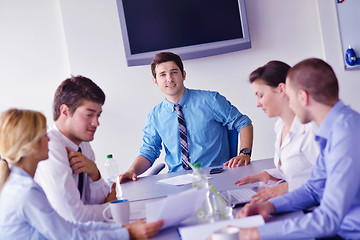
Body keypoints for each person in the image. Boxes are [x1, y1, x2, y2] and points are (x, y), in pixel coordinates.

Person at [232, 58, 360, 239]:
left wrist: (255, 233)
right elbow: (313, 189)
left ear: (302, 97)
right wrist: (270, 206)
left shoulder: (346, 134)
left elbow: (329, 219)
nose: (289, 105)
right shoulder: (334, 130)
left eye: (290, 98)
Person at [0, 108, 164, 239]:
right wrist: (128, 234)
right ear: (31, 147)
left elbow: (68, 226)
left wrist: (122, 229)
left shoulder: (20, 184)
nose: (49, 140)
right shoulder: (25, 192)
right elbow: (69, 236)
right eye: (43, 136)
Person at [119, 52, 253, 182]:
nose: (169, 79)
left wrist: (244, 153)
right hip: (177, 181)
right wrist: (132, 171)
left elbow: (243, 123)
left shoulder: (211, 100)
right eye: (162, 75)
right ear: (155, 81)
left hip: (215, 176)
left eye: (174, 72)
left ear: (183, 75)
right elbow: (149, 150)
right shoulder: (155, 116)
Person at [234, 61, 319, 203]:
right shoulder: (280, 126)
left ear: (281, 89)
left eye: (260, 95)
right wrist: (269, 175)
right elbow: (299, 172)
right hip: (296, 203)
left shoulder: (311, 129)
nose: (257, 103)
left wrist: (287, 188)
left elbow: (331, 181)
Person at [34, 76, 115, 222]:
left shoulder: (83, 144)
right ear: (65, 111)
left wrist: (94, 173)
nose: (96, 123)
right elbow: (73, 217)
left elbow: (96, 201)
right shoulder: (49, 147)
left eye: (98, 115)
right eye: (89, 115)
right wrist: (113, 207)